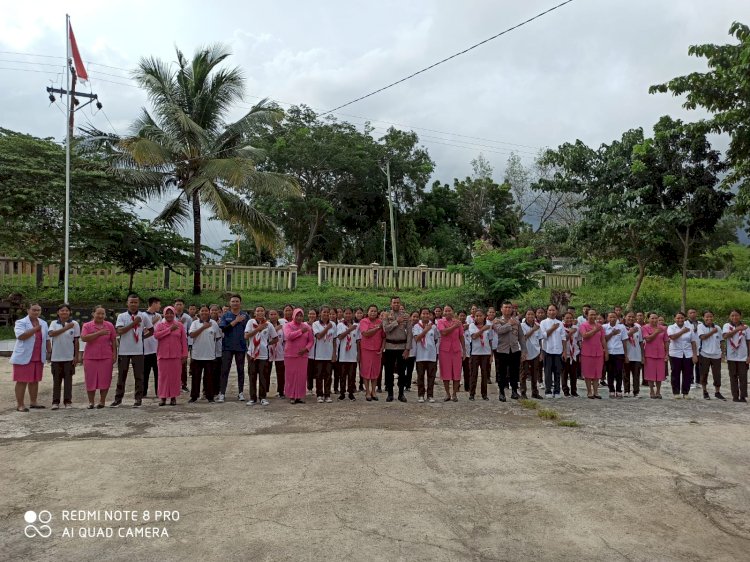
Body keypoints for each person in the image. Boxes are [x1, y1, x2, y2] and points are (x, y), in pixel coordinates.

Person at [112, 293, 153, 408]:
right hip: (124, 351)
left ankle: (138, 399)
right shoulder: (122, 316)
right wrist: (134, 323)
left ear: (138, 303)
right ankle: (118, 399)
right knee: (121, 376)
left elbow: (151, 330)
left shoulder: (143, 316)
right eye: (131, 302)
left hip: (138, 351)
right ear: (127, 303)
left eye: (136, 302)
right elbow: (120, 331)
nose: (133, 304)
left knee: (139, 376)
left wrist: (142, 337)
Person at [10, 303, 49, 412]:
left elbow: (46, 339)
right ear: (28, 310)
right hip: (23, 356)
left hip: (38, 356)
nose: (36, 312)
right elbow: (21, 336)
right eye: (34, 310)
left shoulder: (44, 323)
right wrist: (35, 329)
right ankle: (20, 405)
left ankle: (33, 402)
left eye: (38, 310)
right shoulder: (21, 322)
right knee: (22, 380)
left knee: (35, 380)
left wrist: (49, 352)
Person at [80, 306, 117, 409]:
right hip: (90, 357)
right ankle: (91, 402)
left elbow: (113, 340)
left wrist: (114, 354)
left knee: (105, 379)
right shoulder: (87, 326)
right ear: (93, 314)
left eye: (103, 314)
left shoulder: (109, 325)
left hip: (106, 356)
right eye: (98, 313)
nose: (100, 316)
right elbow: (84, 338)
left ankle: (102, 401)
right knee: (90, 379)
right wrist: (99, 333)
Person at [47, 304, 80, 409]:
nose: (64, 312)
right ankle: (55, 402)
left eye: (66, 310)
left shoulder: (74, 324)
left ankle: (68, 401)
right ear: (58, 312)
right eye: (62, 310)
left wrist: (76, 355)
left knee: (68, 381)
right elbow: (52, 334)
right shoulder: (53, 323)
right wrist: (66, 328)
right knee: (56, 381)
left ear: (70, 312)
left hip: (69, 357)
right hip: (56, 357)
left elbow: (76, 340)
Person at [154, 306, 188, 406]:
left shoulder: (180, 325)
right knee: (163, 377)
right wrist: (169, 329)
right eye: (167, 313)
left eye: (171, 313)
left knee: (175, 377)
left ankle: (173, 397)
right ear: (164, 314)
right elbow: (157, 336)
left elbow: (183, 341)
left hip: (176, 355)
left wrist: (185, 354)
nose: (169, 315)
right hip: (163, 355)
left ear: (174, 314)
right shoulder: (160, 325)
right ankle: (163, 397)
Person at [217, 294, 249, 403]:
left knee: (241, 370)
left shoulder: (245, 316)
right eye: (233, 301)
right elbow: (224, 329)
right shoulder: (226, 315)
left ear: (240, 303)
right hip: (227, 347)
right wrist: (235, 321)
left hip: (241, 347)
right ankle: (222, 393)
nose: (235, 303)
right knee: (225, 370)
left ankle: (240, 393)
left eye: (237, 301)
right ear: (230, 303)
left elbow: (249, 330)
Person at [244, 306, 278, 406]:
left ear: (264, 313)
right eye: (258, 311)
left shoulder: (268, 325)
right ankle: (252, 398)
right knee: (252, 376)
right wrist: (258, 329)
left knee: (263, 377)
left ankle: (263, 397)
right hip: (252, 354)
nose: (260, 312)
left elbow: (276, 338)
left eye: (262, 311)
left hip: (263, 354)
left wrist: (267, 343)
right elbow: (246, 336)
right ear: (255, 313)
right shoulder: (251, 322)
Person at [382, 296, 412, 402]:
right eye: (394, 302)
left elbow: (409, 333)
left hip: (401, 347)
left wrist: (407, 349)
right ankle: (390, 393)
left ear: (400, 304)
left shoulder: (406, 316)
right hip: (389, 346)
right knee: (389, 371)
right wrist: (396, 322)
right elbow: (385, 329)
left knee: (402, 371)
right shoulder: (386, 315)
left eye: (398, 303)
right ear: (390, 304)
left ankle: (401, 394)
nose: (396, 304)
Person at [189, 305, 220, 403]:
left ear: (209, 312)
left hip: (210, 355)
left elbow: (217, 336)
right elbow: (192, 335)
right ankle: (194, 396)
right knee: (195, 377)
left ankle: (209, 396)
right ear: (199, 312)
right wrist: (203, 327)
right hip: (197, 355)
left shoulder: (214, 323)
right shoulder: (195, 323)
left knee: (209, 378)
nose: (204, 313)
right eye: (202, 311)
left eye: (206, 311)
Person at [493, 301, 522, 401]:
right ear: (501, 309)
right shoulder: (497, 321)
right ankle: (501, 392)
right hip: (502, 350)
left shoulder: (517, 321)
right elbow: (499, 330)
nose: (508, 309)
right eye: (505, 307)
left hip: (514, 349)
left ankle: (514, 391)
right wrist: (509, 324)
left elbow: (521, 337)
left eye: (510, 307)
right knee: (502, 372)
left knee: (514, 372)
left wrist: (524, 350)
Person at [283, 308, 313, 404]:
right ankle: (291, 396)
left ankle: (299, 396)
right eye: (297, 315)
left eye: (301, 315)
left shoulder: (307, 327)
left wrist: (306, 349)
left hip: (302, 355)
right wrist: (301, 331)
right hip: (290, 355)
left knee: (301, 376)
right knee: (291, 376)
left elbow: (311, 340)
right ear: (293, 316)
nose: (299, 317)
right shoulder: (288, 325)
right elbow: (288, 336)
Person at [437, 305, 465, 402]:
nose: (448, 312)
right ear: (443, 312)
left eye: (449, 310)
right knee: (446, 372)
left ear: (453, 311)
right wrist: (454, 326)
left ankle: (454, 394)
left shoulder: (458, 322)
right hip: (445, 350)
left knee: (456, 372)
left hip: (456, 350)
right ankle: (447, 393)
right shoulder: (440, 321)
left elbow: (461, 336)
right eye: (446, 311)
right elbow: (443, 332)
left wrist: (464, 350)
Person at [667, 312, 698, 399]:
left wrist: (694, 355)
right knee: (675, 373)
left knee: (687, 373)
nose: (680, 320)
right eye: (678, 318)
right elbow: (672, 337)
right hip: (675, 353)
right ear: (674, 319)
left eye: (682, 318)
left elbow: (693, 342)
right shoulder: (671, 327)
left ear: (685, 318)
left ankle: (686, 392)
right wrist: (683, 331)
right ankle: (676, 392)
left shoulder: (690, 327)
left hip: (688, 354)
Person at [578, 309, 607, 399]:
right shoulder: (583, 325)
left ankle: (596, 392)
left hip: (598, 352)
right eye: (591, 315)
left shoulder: (600, 326)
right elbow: (585, 335)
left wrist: (606, 350)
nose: (593, 316)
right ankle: (589, 392)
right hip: (587, 352)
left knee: (597, 373)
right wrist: (594, 330)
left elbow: (603, 339)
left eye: (594, 314)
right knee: (588, 373)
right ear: (587, 315)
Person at [722, 309, 749, 403]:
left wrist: (749, 356)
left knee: (743, 376)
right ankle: (735, 396)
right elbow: (725, 336)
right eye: (732, 315)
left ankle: (743, 396)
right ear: (730, 317)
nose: (734, 317)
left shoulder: (746, 327)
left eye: (736, 315)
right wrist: (737, 329)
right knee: (733, 376)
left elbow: (748, 342)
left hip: (743, 356)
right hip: (731, 356)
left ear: (740, 316)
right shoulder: (726, 326)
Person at [540, 304, 567, 399]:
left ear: (557, 311)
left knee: (557, 371)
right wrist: (552, 328)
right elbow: (543, 335)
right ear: (547, 312)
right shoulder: (543, 323)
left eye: (553, 310)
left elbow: (563, 338)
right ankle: (548, 390)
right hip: (547, 350)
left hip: (558, 350)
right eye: (550, 310)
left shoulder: (560, 323)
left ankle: (557, 390)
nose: (552, 312)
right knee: (547, 372)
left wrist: (564, 351)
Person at [697, 310, 725, 401]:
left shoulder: (718, 327)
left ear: (713, 317)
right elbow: (702, 337)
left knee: (717, 374)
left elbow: (721, 341)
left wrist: (723, 353)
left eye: (711, 316)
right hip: (704, 354)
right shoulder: (700, 326)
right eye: (707, 317)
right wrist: (713, 332)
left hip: (716, 355)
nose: (709, 318)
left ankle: (717, 392)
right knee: (704, 373)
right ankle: (705, 392)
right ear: (703, 318)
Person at [413, 308, 439, 403]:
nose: (425, 315)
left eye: (427, 313)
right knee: (420, 376)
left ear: (430, 315)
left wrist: (429, 328)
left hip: (431, 355)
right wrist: (425, 330)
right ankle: (420, 395)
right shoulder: (416, 326)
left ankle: (430, 395)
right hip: (420, 355)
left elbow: (436, 339)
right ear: (420, 315)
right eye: (423, 313)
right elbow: (417, 338)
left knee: (431, 376)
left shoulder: (434, 326)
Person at [359, 305, 385, 401]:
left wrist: (382, 348)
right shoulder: (364, 321)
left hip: (377, 350)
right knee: (366, 370)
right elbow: (365, 333)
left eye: (375, 311)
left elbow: (384, 336)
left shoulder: (380, 322)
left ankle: (373, 391)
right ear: (368, 312)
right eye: (371, 311)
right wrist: (378, 328)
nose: (373, 313)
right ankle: (367, 392)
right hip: (366, 349)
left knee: (375, 371)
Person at [312, 306, 337, 403]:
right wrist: (327, 328)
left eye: (328, 312)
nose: (326, 314)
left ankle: (327, 394)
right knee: (319, 375)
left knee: (328, 375)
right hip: (319, 354)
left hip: (329, 354)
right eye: (324, 312)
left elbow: (334, 340)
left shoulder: (333, 324)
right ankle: (319, 394)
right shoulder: (316, 324)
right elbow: (318, 336)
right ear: (320, 314)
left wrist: (334, 354)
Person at [642, 313, 670, 399]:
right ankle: (651, 390)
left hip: (660, 354)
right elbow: (648, 339)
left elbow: (666, 341)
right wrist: (656, 332)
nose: (654, 320)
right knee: (650, 374)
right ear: (648, 319)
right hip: (649, 354)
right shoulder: (644, 328)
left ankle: (658, 391)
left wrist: (667, 353)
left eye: (656, 318)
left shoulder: (663, 328)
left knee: (660, 374)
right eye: (652, 318)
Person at [336, 307, 359, 401]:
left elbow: (358, 341)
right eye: (346, 313)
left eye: (350, 313)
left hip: (353, 355)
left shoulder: (356, 325)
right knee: (342, 375)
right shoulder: (340, 325)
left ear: (352, 314)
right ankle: (342, 393)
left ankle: (350, 393)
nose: (348, 315)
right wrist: (349, 330)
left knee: (351, 375)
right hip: (343, 355)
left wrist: (359, 354)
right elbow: (340, 337)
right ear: (343, 315)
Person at [469, 308, 492, 400]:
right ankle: (472, 394)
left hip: (486, 353)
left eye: (480, 315)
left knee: (484, 374)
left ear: (484, 316)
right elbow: (474, 336)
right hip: (475, 353)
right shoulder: (472, 326)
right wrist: (482, 329)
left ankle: (484, 394)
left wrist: (491, 354)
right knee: (473, 374)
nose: (478, 317)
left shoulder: (489, 325)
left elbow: (490, 340)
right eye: (476, 316)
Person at [520, 309, 543, 400]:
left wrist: (541, 352)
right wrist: (533, 330)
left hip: (536, 352)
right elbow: (523, 338)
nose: (530, 316)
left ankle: (535, 392)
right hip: (525, 352)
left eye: (532, 314)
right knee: (523, 373)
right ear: (525, 316)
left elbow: (540, 339)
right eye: (528, 314)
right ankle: (523, 392)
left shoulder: (538, 326)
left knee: (535, 373)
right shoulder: (521, 325)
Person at [604, 311, 628, 399]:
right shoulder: (604, 327)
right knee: (609, 372)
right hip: (609, 352)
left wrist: (626, 355)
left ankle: (618, 390)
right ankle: (611, 389)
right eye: (610, 317)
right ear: (607, 318)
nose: (612, 319)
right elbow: (604, 340)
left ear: (617, 318)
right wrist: (612, 333)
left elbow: (624, 341)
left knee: (619, 372)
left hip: (619, 352)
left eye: (614, 317)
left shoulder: (622, 327)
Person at [143, 297, 161, 398]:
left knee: (158, 373)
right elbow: (142, 332)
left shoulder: (159, 316)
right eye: (158, 304)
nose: (159, 306)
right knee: (145, 373)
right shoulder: (142, 316)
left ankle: (159, 392)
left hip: (157, 349)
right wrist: (153, 322)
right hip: (145, 349)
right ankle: (143, 392)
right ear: (153, 304)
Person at [173, 299, 193, 393]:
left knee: (183, 364)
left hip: (183, 343)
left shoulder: (188, 318)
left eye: (180, 304)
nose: (179, 306)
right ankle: (174, 384)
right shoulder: (170, 316)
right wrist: (179, 323)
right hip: (172, 343)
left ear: (183, 306)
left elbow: (190, 331)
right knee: (172, 364)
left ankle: (183, 384)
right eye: (177, 304)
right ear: (174, 306)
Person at [622, 312, 643, 398]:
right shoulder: (621, 327)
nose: (631, 318)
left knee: (636, 374)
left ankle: (636, 391)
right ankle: (626, 390)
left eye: (632, 317)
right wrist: (630, 333)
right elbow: (621, 339)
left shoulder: (638, 327)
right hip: (626, 354)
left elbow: (641, 342)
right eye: (629, 316)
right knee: (625, 374)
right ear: (625, 317)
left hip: (636, 354)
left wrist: (642, 355)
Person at [268, 309, 286, 399]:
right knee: (266, 371)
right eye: (271, 314)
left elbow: (285, 339)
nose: (273, 316)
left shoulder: (282, 326)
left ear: (278, 315)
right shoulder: (266, 324)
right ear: (268, 316)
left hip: (280, 351)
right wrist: (275, 329)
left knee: (281, 373)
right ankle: (265, 390)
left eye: (275, 314)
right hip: (269, 350)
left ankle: (281, 391)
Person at [562, 312, 580, 397]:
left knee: (573, 373)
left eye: (570, 318)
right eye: (567, 318)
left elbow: (579, 340)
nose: (569, 320)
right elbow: (563, 340)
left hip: (574, 353)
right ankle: (565, 390)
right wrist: (570, 333)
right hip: (565, 352)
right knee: (565, 373)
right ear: (563, 318)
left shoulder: (576, 328)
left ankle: (574, 390)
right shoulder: (561, 327)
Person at [685, 308, 701, 389]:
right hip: (689, 348)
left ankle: (699, 381)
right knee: (689, 366)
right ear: (688, 315)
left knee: (699, 366)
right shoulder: (685, 323)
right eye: (690, 313)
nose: (692, 314)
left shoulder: (701, 323)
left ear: (696, 313)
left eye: (694, 312)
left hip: (700, 347)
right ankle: (690, 381)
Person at [209, 305, 224, 397]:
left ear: (220, 311)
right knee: (208, 372)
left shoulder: (223, 321)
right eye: (212, 310)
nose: (214, 312)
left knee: (218, 372)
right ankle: (206, 390)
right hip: (208, 350)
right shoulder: (206, 321)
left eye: (216, 310)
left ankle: (217, 390)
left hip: (219, 350)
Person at [405, 310, 419, 391]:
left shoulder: (420, 327)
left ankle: (408, 385)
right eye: (414, 316)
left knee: (410, 369)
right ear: (410, 317)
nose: (415, 318)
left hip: (414, 352)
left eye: (417, 317)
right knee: (403, 369)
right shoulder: (406, 327)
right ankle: (402, 384)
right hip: (405, 351)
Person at [459, 310, 472, 392]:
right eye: (460, 315)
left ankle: (467, 387)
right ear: (458, 316)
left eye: (464, 315)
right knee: (457, 370)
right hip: (458, 351)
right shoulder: (455, 325)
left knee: (467, 370)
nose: (462, 317)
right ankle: (456, 386)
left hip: (467, 351)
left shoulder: (470, 326)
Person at [306, 309, 318, 395]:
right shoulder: (304, 325)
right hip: (308, 352)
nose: (312, 315)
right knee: (309, 371)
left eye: (313, 314)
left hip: (318, 351)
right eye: (310, 314)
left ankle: (319, 388)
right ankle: (309, 388)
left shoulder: (318, 325)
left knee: (318, 371)